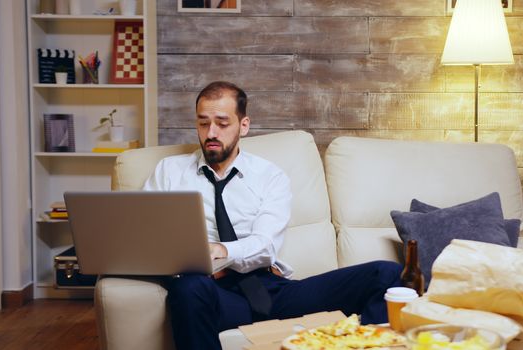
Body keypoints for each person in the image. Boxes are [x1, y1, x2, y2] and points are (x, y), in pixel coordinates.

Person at [143, 81, 402, 350]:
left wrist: (221, 250)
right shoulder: (170, 172)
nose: (211, 133)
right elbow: (144, 234)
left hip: (271, 289)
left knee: (386, 274)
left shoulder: (269, 176)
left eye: (222, 123)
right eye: (203, 123)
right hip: (213, 294)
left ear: (243, 125)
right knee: (189, 288)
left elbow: (265, 245)